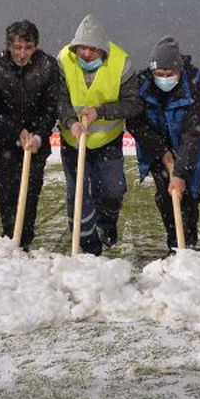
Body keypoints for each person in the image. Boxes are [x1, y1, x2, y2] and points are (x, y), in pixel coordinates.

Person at [57, 14, 142, 255]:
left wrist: (101, 112)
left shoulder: (122, 63)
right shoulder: (63, 59)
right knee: (79, 194)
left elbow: (133, 104)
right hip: (73, 140)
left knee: (113, 191)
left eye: (93, 49)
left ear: (103, 49)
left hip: (107, 141)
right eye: (82, 48)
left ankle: (107, 225)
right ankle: (87, 245)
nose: (86, 54)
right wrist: (70, 121)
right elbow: (59, 99)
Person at [0, 20, 61, 250]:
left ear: (36, 46)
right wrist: (16, 131)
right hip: (5, 143)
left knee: (30, 193)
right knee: (7, 195)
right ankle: (9, 239)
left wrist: (37, 135)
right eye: (16, 47)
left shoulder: (47, 66)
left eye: (27, 47)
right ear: (8, 46)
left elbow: (52, 107)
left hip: (36, 144)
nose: (22, 53)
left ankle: (24, 241)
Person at [126, 36, 200, 253]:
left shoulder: (193, 84)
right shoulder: (142, 85)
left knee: (189, 196)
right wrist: (162, 153)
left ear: (179, 70)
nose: (164, 79)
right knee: (166, 196)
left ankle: (188, 244)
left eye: (169, 74)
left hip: (191, 150)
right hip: (156, 148)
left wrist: (180, 172)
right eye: (159, 75)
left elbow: (193, 133)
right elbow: (136, 124)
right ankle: (175, 244)